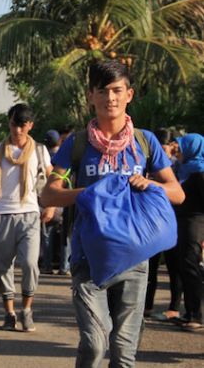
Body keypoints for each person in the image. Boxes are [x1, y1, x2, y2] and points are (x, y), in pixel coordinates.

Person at [41, 60, 184, 367]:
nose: (111, 98)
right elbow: (49, 194)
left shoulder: (145, 143)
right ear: (91, 95)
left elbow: (177, 192)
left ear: (129, 94)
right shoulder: (77, 144)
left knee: (123, 352)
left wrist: (150, 184)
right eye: (103, 91)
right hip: (87, 258)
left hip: (135, 257)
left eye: (117, 90)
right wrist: (88, 194)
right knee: (94, 344)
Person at [0, 103, 55, 333]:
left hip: (30, 213)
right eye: (14, 124)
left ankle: (27, 310)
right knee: (4, 268)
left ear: (30, 125)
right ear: (9, 123)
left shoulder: (40, 151)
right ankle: (9, 313)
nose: (18, 130)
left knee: (31, 263)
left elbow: (53, 180)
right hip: (2, 213)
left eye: (22, 125)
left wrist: (51, 205)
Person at [143, 127, 183, 321]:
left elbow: (178, 191)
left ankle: (174, 307)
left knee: (173, 267)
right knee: (150, 266)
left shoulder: (179, 164)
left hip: (173, 221)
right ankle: (146, 305)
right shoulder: (150, 163)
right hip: (152, 220)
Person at [173, 133, 204, 331]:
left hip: (195, 224)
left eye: (182, 147)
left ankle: (197, 315)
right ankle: (189, 312)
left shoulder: (200, 172)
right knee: (184, 267)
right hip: (182, 224)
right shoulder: (184, 170)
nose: (178, 151)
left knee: (192, 267)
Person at [39, 130, 68, 276]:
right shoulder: (66, 155)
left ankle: (47, 265)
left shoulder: (43, 155)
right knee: (65, 236)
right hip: (64, 200)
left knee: (47, 234)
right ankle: (64, 267)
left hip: (48, 201)